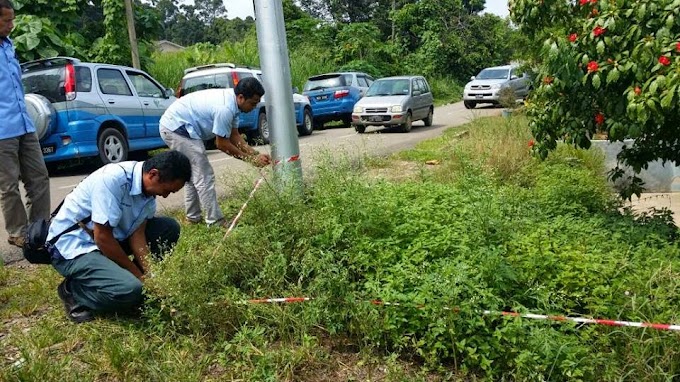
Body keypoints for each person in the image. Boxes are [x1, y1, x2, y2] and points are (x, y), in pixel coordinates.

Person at [47, 150, 192, 323]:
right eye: (167, 190)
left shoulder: (148, 193)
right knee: (130, 290)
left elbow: (137, 236)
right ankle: (74, 291)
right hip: (74, 246)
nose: (165, 195)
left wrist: (151, 276)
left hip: (107, 240)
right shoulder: (113, 179)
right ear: (153, 174)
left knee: (168, 228)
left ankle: (125, 282)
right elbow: (103, 238)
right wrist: (138, 277)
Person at [159, 77, 272, 227]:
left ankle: (193, 218)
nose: (254, 107)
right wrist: (251, 160)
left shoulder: (234, 105)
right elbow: (222, 144)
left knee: (194, 174)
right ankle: (215, 221)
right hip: (176, 127)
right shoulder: (225, 108)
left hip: (180, 126)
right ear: (241, 97)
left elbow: (234, 136)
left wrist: (255, 155)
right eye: (252, 103)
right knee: (204, 175)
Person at [0, 0, 50, 248]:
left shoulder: (9, 47)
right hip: (1, 130)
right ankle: (18, 233)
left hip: (24, 123)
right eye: (6, 20)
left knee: (39, 177)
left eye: (12, 19)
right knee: (8, 185)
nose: (12, 25)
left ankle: (40, 230)